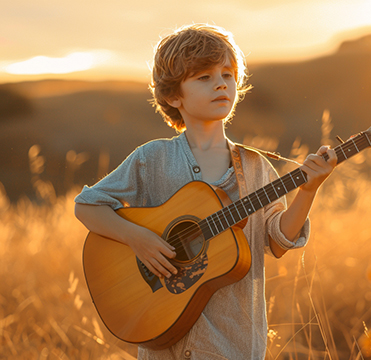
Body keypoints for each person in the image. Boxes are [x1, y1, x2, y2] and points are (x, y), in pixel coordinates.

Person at [74, 23, 337, 359]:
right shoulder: (152, 159)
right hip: (163, 335)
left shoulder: (256, 167)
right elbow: (87, 206)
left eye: (227, 75)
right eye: (204, 77)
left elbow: (278, 240)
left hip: (234, 338)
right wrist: (136, 238)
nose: (220, 84)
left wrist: (308, 190)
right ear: (173, 95)